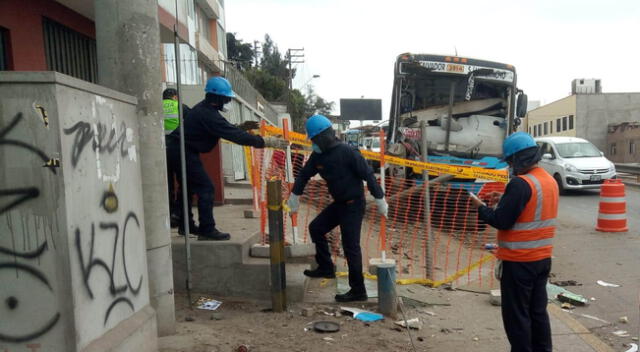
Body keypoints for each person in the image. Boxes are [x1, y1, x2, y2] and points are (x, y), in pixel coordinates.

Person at [166, 77, 287, 241]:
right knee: (206, 188)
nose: (228, 101)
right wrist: (265, 141)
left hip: (177, 148)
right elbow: (231, 134)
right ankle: (207, 229)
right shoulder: (208, 114)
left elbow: (225, 129)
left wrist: (239, 128)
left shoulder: (206, 110)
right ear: (218, 98)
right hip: (181, 150)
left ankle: (185, 225)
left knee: (187, 188)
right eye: (227, 98)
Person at [470, 132, 558, 352]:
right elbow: (531, 208)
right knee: (538, 313)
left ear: (518, 159)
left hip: (519, 263)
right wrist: (504, 199)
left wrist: (480, 207)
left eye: (510, 162)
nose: (510, 167)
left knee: (517, 317)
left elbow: (501, 221)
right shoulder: (548, 180)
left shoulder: (520, 184)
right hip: (542, 259)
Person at [287, 115, 389, 302]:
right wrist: (294, 195)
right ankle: (326, 268)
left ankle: (358, 291)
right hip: (339, 204)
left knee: (351, 247)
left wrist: (380, 198)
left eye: (315, 139)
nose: (313, 144)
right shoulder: (318, 155)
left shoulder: (347, 152)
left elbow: (368, 175)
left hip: (354, 205)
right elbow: (303, 175)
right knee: (316, 228)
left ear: (324, 136)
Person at [163, 88, 190, 228]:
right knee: (183, 182)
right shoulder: (180, 107)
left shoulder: (156, 106)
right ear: (175, 97)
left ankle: (168, 213)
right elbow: (193, 121)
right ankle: (178, 214)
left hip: (160, 151)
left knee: (166, 184)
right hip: (178, 149)